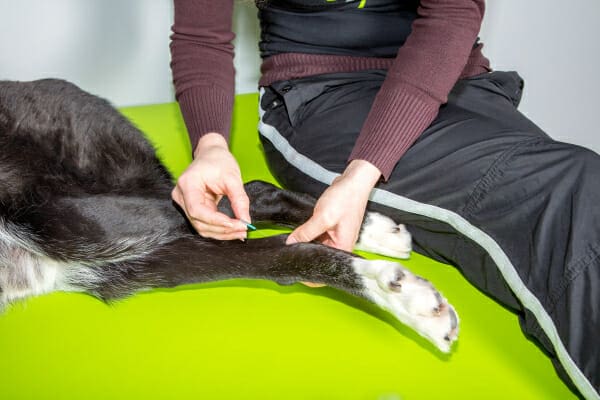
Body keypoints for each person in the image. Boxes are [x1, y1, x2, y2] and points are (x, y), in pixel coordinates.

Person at [169, 1, 599, 398]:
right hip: (325, 94)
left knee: (580, 189)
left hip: (451, 79)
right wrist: (210, 146)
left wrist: (365, 171)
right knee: (569, 191)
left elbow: (452, 10)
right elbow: (201, 34)